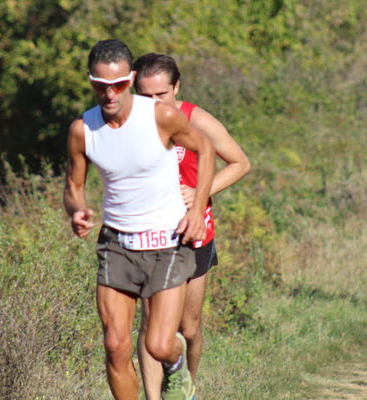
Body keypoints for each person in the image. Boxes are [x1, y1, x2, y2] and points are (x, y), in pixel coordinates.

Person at [63, 39, 214, 400]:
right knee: (115, 344)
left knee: (160, 346)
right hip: (117, 243)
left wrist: (196, 210)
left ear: (130, 79)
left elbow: (205, 149)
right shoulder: (83, 129)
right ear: (91, 83)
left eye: (117, 84)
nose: (109, 93)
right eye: (100, 86)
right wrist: (77, 210)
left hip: (167, 244)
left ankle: (177, 367)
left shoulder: (159, 116)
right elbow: (73, 185)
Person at [132, 53, 250, 399]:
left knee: (188, 327)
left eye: (161, 95)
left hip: (194, 231)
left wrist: (200, 191)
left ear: (176, 87)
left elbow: (240, 163)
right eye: (145, 95)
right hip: (150, 235)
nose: (153, 103)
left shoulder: (197, 120)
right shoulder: (128, 124)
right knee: (152, 323)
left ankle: (187, 389)